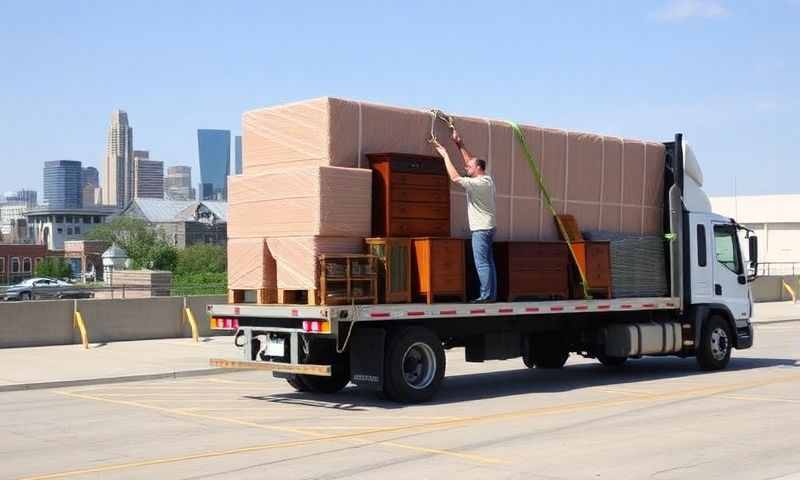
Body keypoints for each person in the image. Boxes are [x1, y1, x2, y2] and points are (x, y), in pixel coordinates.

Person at [430, 128, 497, 303]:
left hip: (481, 230)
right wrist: (459, 144)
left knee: (482, 263)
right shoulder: (486, 179)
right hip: (488, 227)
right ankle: (491, 294)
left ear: (479, 168)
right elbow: (469, 161)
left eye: (469, 167)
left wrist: (445, 154)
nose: (466, 166)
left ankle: (486, 296)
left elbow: (455, 178)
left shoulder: (478, 184)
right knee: (488, 262)